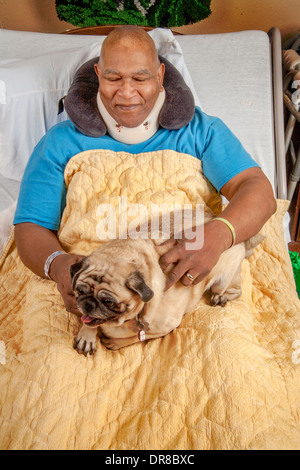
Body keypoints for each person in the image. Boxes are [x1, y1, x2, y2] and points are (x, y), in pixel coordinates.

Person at [13, 25, 276, 315]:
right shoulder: (59, 142)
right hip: (90, 292)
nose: (127, 93)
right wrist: (58, 265)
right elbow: (31, 226)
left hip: (192, 287)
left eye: (140, 77)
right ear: (98, 75)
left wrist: (221, 234)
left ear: (161, 76)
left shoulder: (202, 131)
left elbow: (258, 190)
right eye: (114, 78)